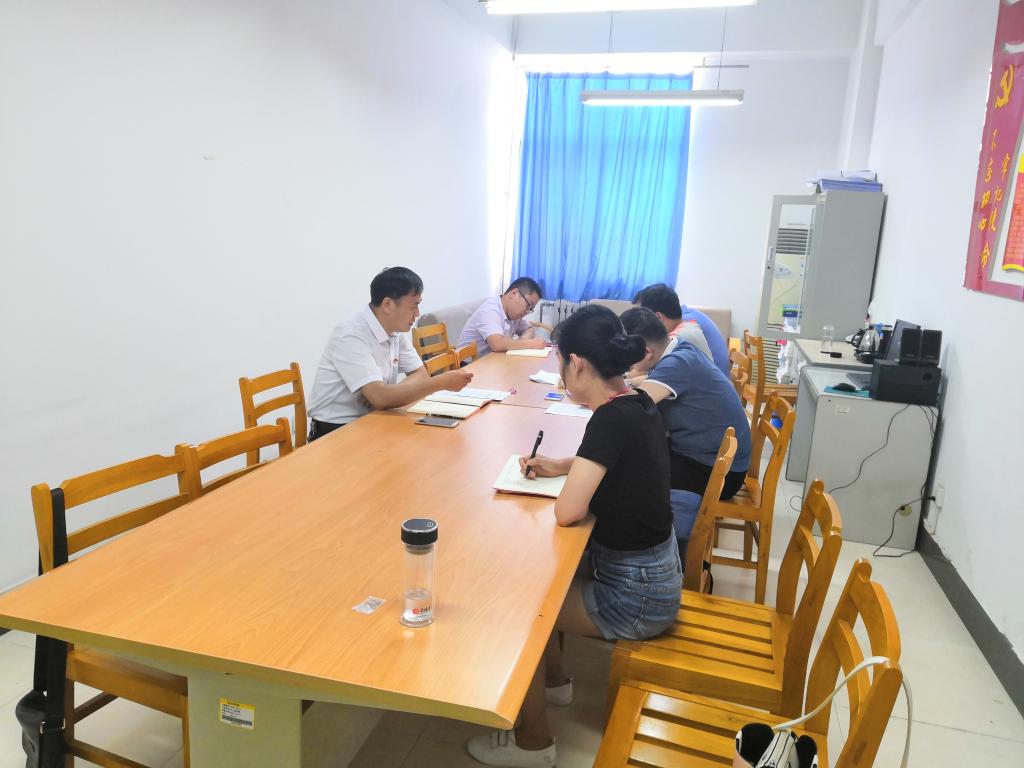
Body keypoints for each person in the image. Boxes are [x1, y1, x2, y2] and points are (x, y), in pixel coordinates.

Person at [466, 305, 681, 768]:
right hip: (656, 576)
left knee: (523, 611)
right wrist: (566, 465)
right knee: (545, 580)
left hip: (638, 598)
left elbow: (567, 513)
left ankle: (534, 743)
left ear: (577, 364)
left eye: (562, 363)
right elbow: (616, 463)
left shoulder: (608, 419)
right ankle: (555, 683)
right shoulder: (636, 401)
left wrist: (567, 478)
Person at [307, 267, 473, 439]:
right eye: (414, 306)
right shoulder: (351, 336)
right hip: (335, 431)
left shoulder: (394, 331)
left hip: (374, 419)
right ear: (387, 305)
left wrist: (388, 393)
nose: (417, 314)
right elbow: (381, 398)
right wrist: (439, 383)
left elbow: (420, 374)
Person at [620, 306, 752, 500]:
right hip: (714, 459)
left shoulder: (678, 363)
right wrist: (628, 382)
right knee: (632, 454)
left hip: (719, 474)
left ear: (647, 353)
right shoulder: (678, 348)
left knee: (626, 472)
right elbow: (647, 383)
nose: (628, 366)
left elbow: (632, 406)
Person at [634, 283, 731, 377]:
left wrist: (638, 370)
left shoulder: (682, 335)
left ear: (658, 317)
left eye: (642, 318)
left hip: (714, 376)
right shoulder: (684, 321)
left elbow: (654, 371)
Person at [458, 277, 545, 355]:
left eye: (531, 309)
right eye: (528, 305)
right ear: (514, 293)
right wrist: (530, 344)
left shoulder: (514, 315)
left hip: (491, 361)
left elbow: (529, 329)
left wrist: (524, 339)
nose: (527, 312)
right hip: (468, 365)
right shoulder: (490, 310)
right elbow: (497, 344)